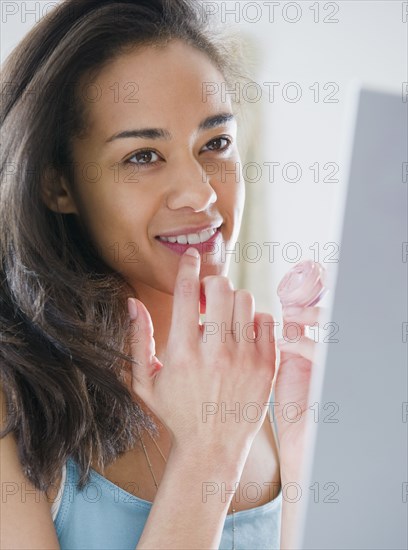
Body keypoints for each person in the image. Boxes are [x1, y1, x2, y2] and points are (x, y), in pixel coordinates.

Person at [0, 1, 319, 548]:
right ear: (58, 185)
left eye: (215, 144)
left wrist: (309, 467)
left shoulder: (271, 384)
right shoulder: (15, 404)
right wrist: (209, 453)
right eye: (143, 156)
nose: (200, 191)